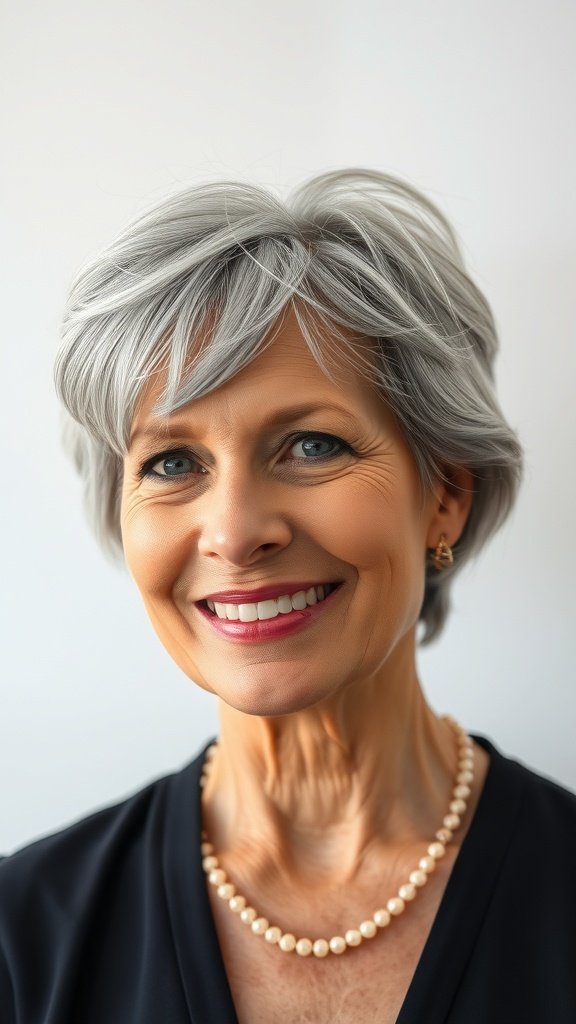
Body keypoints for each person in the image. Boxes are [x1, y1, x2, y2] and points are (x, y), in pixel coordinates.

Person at [1, 169, 575, 1024]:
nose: (233, 533)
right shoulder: (23, 939)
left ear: (445, 494)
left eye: (310, 445)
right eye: (171, 463)